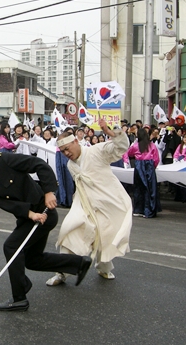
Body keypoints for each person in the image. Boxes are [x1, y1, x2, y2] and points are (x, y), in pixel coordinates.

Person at [0, 151, 92, 312]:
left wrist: (49, 191)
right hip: (29, 218)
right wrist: (30, 214)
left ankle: (19, 298)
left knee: (11, 247)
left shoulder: (3, 160)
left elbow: (38, 164)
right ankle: (79, 263)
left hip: (44, 212)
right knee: (32, 260)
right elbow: (6, 204)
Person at [47, 119, 132, 285]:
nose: (66, 153)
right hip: (83, 203)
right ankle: (62, 272)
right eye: (62, 151)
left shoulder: (96, 151)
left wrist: (110, 133)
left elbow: (120, 148)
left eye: (67, 148)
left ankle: (104, 268)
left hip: (108, 201)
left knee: (106, 236)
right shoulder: (71, 165)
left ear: (76, 141)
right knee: (69, 230)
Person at [123, 128, 161, 218]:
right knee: (150, 188)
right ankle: (148, 210)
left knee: (139, 188)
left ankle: (138, 209)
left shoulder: (136, 146)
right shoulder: (152, 145)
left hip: (139, 166)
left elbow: (128, 153)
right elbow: (156, 159)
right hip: (149, 166)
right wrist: (152, 167)